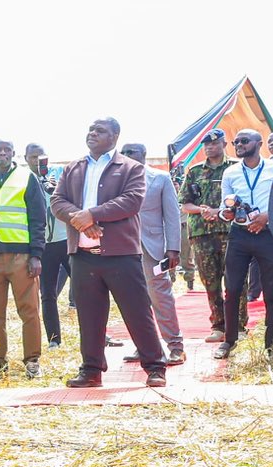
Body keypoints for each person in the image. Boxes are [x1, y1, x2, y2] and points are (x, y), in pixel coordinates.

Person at [52, 117, 167, 388]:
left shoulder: (130, 168)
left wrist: (92, 215)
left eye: (100, 130)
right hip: (82, 254)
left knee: (137, 313)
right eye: (90, 129)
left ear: (115, 136)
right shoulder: (74, 168)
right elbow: (57, 201)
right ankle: (91, 370)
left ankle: (155, 367)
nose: (92, 133)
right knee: (89, 316)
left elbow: (132, 201)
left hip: (121, 254)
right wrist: (79, 219)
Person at [208, 129, 273, 359]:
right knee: (232, 290)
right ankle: (229, 341)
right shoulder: (230, 172)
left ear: (259, 143)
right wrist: (226, 214)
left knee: (271, 293)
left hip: (268, 234)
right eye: (236, 141)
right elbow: (224, 207)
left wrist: (266, 217)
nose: (238, 144)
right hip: (239, 235)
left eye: (244, 140)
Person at [0, 139, 47, 378]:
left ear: (14, 153)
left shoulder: (27, 178)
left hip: (21, 255)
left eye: (7, 150)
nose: (3, 153)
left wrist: (36, 255)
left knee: (28, 310)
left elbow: (38, 218)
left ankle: (32, 360)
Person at [121, 142, 187, 366]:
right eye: (124, 152)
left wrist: (173, 248)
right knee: (133, 301)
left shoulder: (160, 178)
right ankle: (145, 346)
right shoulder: (116, 179)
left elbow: (172, 215)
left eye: (132, 152)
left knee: (161, 297)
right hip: (123, 248)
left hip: (153, 248)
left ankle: (176, 346)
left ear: (144, 154)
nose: (127, 156)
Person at [179, 129, 235, 342]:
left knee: (235, 280)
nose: (209, 147)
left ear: (224, 144)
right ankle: (218, 326)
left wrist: (219, 212)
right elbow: (185, 204)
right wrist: (202, 210)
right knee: (210, 282)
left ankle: (238, 326)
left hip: (230, 232)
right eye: (206, 145)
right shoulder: (193, 172)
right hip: (202, 233)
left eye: (214, 144)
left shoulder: (235, 168)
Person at [27, 144, 68, 347]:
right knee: (48, 294)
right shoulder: (24, 180)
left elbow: (71, 199)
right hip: (44, 244)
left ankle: (98, 335)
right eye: (33, 157)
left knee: (86, 289)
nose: (37, 161)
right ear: (25, 158)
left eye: (41, 156)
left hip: (66, 239)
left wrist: (55, 189)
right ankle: (54, 340)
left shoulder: (59, 174)